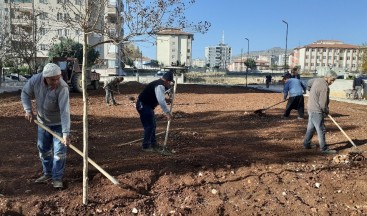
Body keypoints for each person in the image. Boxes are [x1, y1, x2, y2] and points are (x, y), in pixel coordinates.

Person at [21, 63, 71, 189]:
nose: (56, 81)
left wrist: (65, 133)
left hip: (58, 124)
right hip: (42, 123)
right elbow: (25, 93)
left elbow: (65, 111)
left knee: (59, 152)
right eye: (52, 79)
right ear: (45, 77)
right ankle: (47, 173)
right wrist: (28, 110)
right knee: (43, 150)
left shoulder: (62, 87)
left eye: (58, 78)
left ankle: (57, 178)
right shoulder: (35, 80)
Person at [136, 71, 174, 152]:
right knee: (149, 126)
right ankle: (146, 146)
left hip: (147, 106)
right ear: (167, 81)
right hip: (143, 105)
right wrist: (167, 112)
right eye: (170, 83)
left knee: (153, 125)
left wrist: (166, 100)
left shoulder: (159, 83)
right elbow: (160, 100)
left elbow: (157, 96)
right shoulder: (160, 85)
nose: (169, 85)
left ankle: (153, 143)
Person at [303, 71, 338, 154]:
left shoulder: (317, 80)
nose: (332, 82)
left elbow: (308, 82)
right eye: (332, 80)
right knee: (321, 129)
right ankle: (324, 148)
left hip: (310, 107)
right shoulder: (324, 87)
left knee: (311, 127)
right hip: (317, 110)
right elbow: (323, 103)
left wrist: (309, 89)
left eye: (334, 81)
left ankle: (306, 143)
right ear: (328, 77)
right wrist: (326, 110)